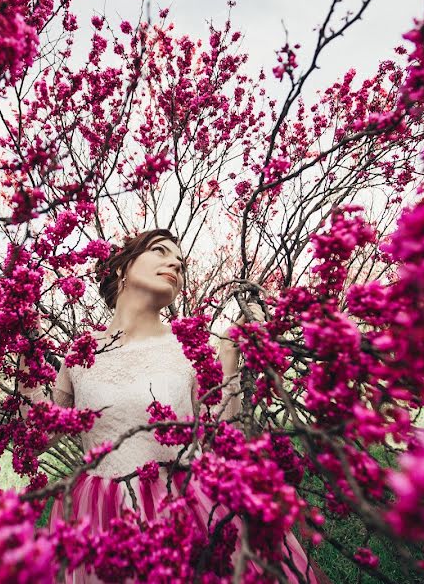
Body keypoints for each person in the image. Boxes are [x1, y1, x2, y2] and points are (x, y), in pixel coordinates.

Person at [33, 228, 326, 583]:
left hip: (185, 506)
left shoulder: (189, 346)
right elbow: (41, 437)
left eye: (180, 261)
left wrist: (229, 359)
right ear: (122, 268)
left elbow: (221, 435)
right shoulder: (81, 353)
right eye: (159, 251)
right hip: (102, 515)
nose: (174, 262)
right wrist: (24, 355)